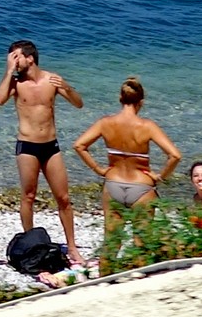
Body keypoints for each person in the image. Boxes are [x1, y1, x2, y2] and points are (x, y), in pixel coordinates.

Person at [0, 40, 85, 264]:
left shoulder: (51, 80)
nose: (13, 62)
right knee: (28, 196)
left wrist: (66, 86)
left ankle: (72, 247)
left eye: (16, 57)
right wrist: (8, 71)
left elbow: (78, 104)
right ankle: (31, 245)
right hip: (27, 146)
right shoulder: (16, 83)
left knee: (63, 198)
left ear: (30, 58)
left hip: (50, 145)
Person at [73, 77, 181, 235]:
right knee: (142, 245)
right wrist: (160, 177)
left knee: (111, 244)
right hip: (142, 187)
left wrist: (99, 170)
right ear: (141, 102)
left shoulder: (105, 123)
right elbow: (175, 156)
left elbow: (79, 145)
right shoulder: (147, 126)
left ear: (120, 98)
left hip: (113, 184)